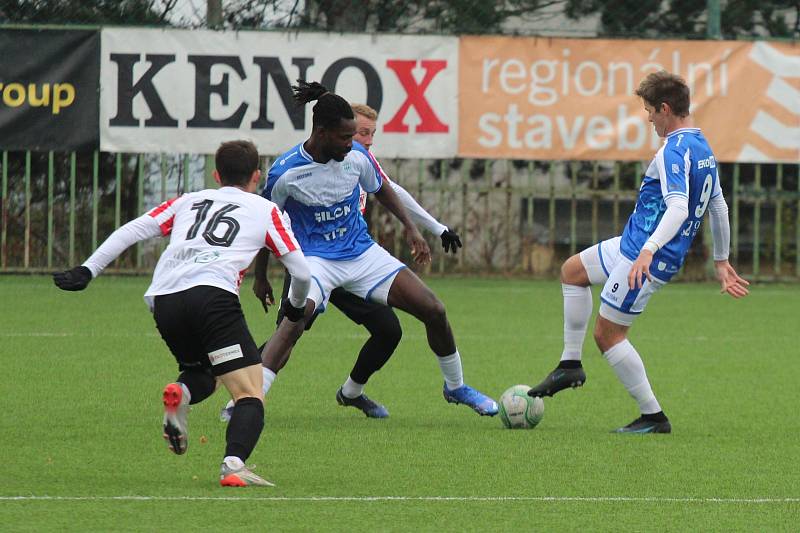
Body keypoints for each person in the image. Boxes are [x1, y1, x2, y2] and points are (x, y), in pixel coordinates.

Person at [53, 140, 311, 485]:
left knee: (205, 372)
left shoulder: (190, 200)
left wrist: (87, 270)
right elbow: (302, 271)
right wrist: (294, 307)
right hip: (212, 297)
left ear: (217, 175)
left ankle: (182, 394)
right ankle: (234, 466)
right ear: (256, 175)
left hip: (165, 298)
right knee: (250, 391)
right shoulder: (266, 210)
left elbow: (134, 229)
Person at [254, 80, 497, 417]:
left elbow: (383, 188)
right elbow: (264, 222)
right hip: (315, 260)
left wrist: (413, 229)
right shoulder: (285, 172)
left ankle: (455, 387)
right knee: (294, 324)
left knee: (434, 310)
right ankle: (248, 399)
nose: (352, 143)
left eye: (355, 136)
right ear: (322, 132)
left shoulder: (356, 156)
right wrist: (261, 276)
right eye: (345, 137)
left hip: (361, 253)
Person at [527, 71, 749, 433]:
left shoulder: (672, 151)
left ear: (664, 109)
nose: (648, 118)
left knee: (608, 335)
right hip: (631, 244)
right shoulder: (701, 146)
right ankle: (569, 365)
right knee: (572, 272)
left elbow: (678, 208)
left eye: (649, 111)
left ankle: (653, 416)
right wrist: (721, 260)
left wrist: (648, 251)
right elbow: (718, 205)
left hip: (647, 257)